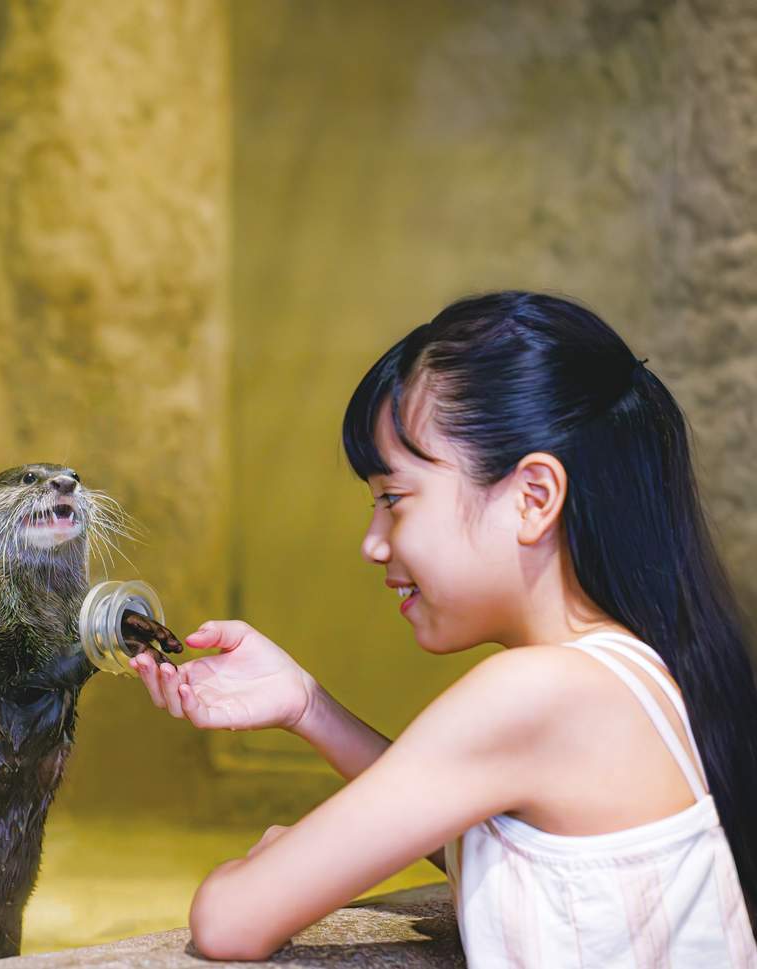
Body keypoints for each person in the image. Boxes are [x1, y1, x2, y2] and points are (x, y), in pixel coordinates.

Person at [130, 292, 757, 966]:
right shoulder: (635, 667)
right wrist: (307, 706)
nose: (373, 542)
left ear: (533, 497)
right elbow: (484, 827)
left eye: (392, 498)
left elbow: (230, 921)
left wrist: (280, 862)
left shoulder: (539, 688)